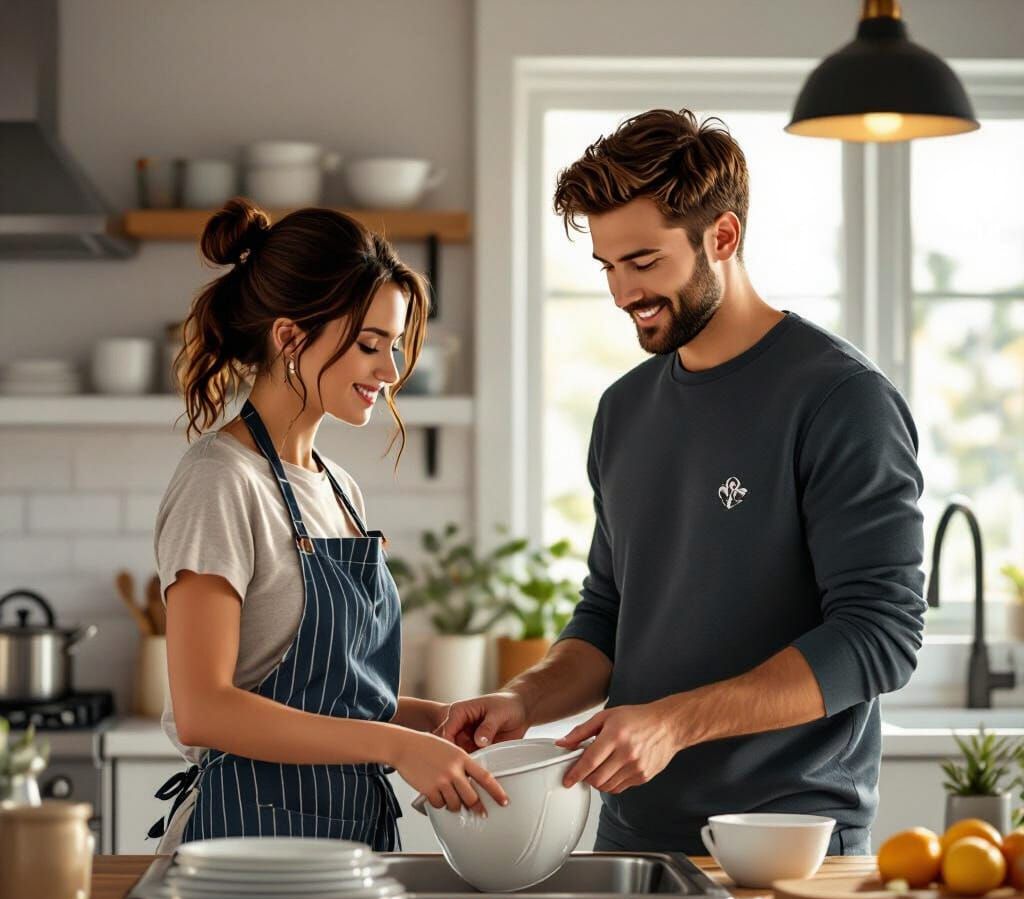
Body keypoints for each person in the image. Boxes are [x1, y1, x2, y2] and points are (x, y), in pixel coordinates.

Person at [439, 109, 926, 856]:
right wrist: (521, 699)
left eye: (643, 261)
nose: (620, 292)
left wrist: (674, 721)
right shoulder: (624, 410)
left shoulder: (839, 398)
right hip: (631, 835)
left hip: (785, 841)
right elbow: (606, 617)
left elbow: (881, 635)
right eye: (607, 266)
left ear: (722, 237)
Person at [149, 198, 506, 852]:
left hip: (350, 837)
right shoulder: (219, 481)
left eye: (394, 348)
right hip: (247, 840)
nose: (389, 373)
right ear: (289, 337)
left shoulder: (339, 489)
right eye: (371, 345)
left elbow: (334, 698)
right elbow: (206, 710)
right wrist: (395, 745)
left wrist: (435, 724)